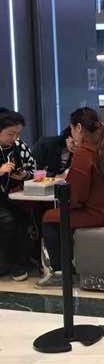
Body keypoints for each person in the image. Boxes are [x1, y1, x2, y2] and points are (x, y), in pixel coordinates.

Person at [38, 108, 104, 287]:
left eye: (71, 129)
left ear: (78, 127)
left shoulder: (84, 152)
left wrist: (66, 203)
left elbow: (76, 195)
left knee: (50, 217)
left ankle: (61, 272)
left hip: (103, 213)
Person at [0, 109, 36, 281]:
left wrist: (24, 175)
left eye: (17, 134)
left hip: (15, 196)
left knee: (27, 218)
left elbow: (33, 170)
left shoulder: (19, 146)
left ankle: (21, 263)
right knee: (8, 220)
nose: (14, 138)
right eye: (10, 134)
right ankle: (9, 263)